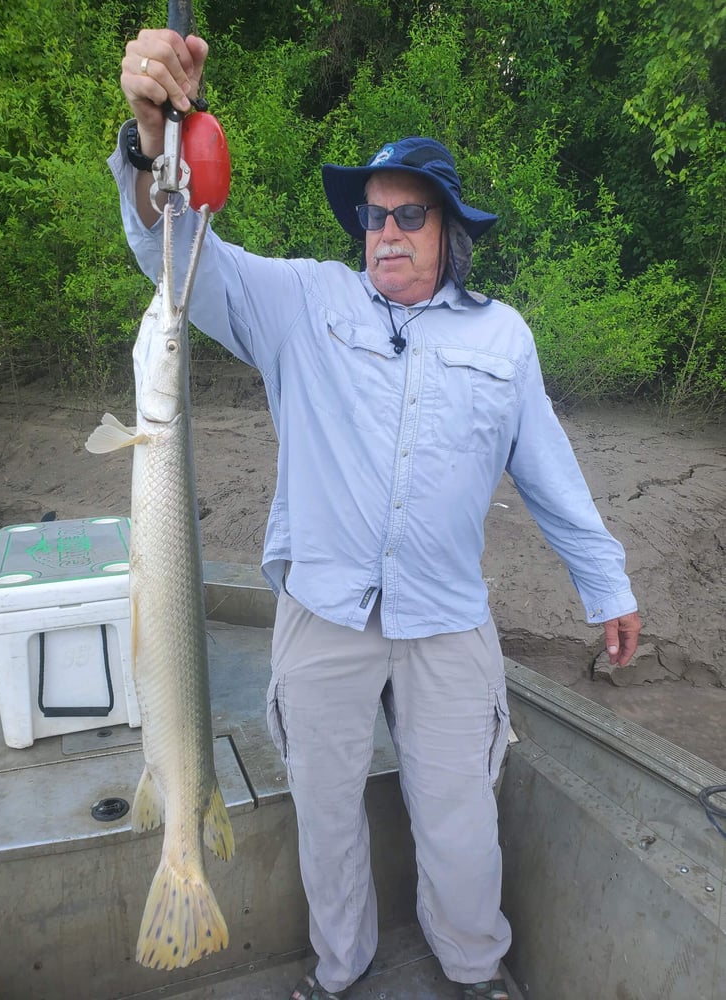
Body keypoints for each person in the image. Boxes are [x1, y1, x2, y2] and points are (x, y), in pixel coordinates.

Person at [114, 28, 642, 1000]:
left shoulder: (501, 335)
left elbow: (549, 471)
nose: (385, 231)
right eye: (372, 214)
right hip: (321, 611)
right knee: (325, 810)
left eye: (408, 216)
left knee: (456, 816)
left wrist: (602, 581)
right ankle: (339, 967)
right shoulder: (299, 303)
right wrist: (155, 134)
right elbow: (173, 248)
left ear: (449, 233)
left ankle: (474, 969)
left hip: (447, 618)